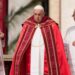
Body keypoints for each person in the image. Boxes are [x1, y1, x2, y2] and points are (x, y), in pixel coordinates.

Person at [10, 5, 71, 75]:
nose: (37, 16)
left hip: (43, 53)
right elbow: (21, 44)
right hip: (32, 52)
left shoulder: (51, 25)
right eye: (35, 14)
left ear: (43, 14)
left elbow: (58, 44)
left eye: (39, 14)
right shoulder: (27, 25)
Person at [64, 10, 75, 75]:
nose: (74, 17)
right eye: (73, 15)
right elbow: (64, 47)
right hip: (71, 65)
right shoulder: (69, 30)